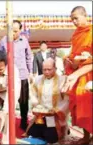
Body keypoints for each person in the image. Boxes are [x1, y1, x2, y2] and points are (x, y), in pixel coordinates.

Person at [62, 6, 92, 144]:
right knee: (79, 108)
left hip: (89, 74)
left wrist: (87, 58)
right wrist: (70, 60)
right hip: (78, 75)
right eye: (72, 19)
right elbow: (74, 52)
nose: (74, 21)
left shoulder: (91, 32)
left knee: (89, 106)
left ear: (85, 15)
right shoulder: (75, 34)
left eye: (76, 18)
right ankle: (86, 136)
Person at [0, 20, 33, 131]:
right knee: (6, 101)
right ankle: (6, 124)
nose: (13, 33)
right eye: (11, 30)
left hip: (22, 75)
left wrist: (30, 72)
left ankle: (23, 122)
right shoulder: (3, 41)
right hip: (8, 76)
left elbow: (28, 57)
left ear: (20, 30)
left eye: (16, 31)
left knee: (23, 101)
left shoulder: (24, 41)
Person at [26, 58, 69, 143]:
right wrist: (36, 106)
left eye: (49, 69)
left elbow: (67, 100)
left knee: (51, 138)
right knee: (33, 133)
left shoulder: (62, 80)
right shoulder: (38, 79)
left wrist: (56, 110)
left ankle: (65, 130)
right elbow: (32, 94)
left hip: (55, 116)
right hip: (40, 115)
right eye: (44, 69)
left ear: (55, 69)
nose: (46, 72)